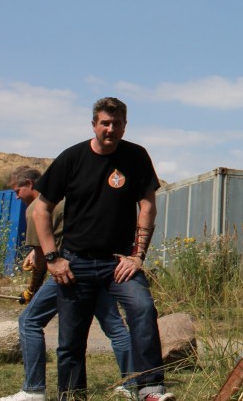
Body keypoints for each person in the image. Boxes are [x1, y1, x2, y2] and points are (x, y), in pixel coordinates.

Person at [34, 98, 174, 401]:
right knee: (70, 340)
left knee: (143, 309)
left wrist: (137, 256)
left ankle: (150, 389)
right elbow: (41, 209)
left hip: (118, 263)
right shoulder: (71, 158)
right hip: (75, 262)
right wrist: (52, 259)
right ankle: (72, 396)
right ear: (94, 125)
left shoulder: (136, 156)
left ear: (125, 125)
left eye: (116, 124)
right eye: (105, 123)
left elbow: (148, 206)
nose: (110, 129)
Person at [0, 165, 135, 401]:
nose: (17, 196)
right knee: (115, 328)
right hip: (95, 268)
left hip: (68, 273)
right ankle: (134, 384)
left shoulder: (36, 208)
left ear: (29, 184)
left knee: (29, 321)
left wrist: (31, 290)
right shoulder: (64, 200)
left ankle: (33, 390)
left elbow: (42, 260)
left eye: (17, 191)